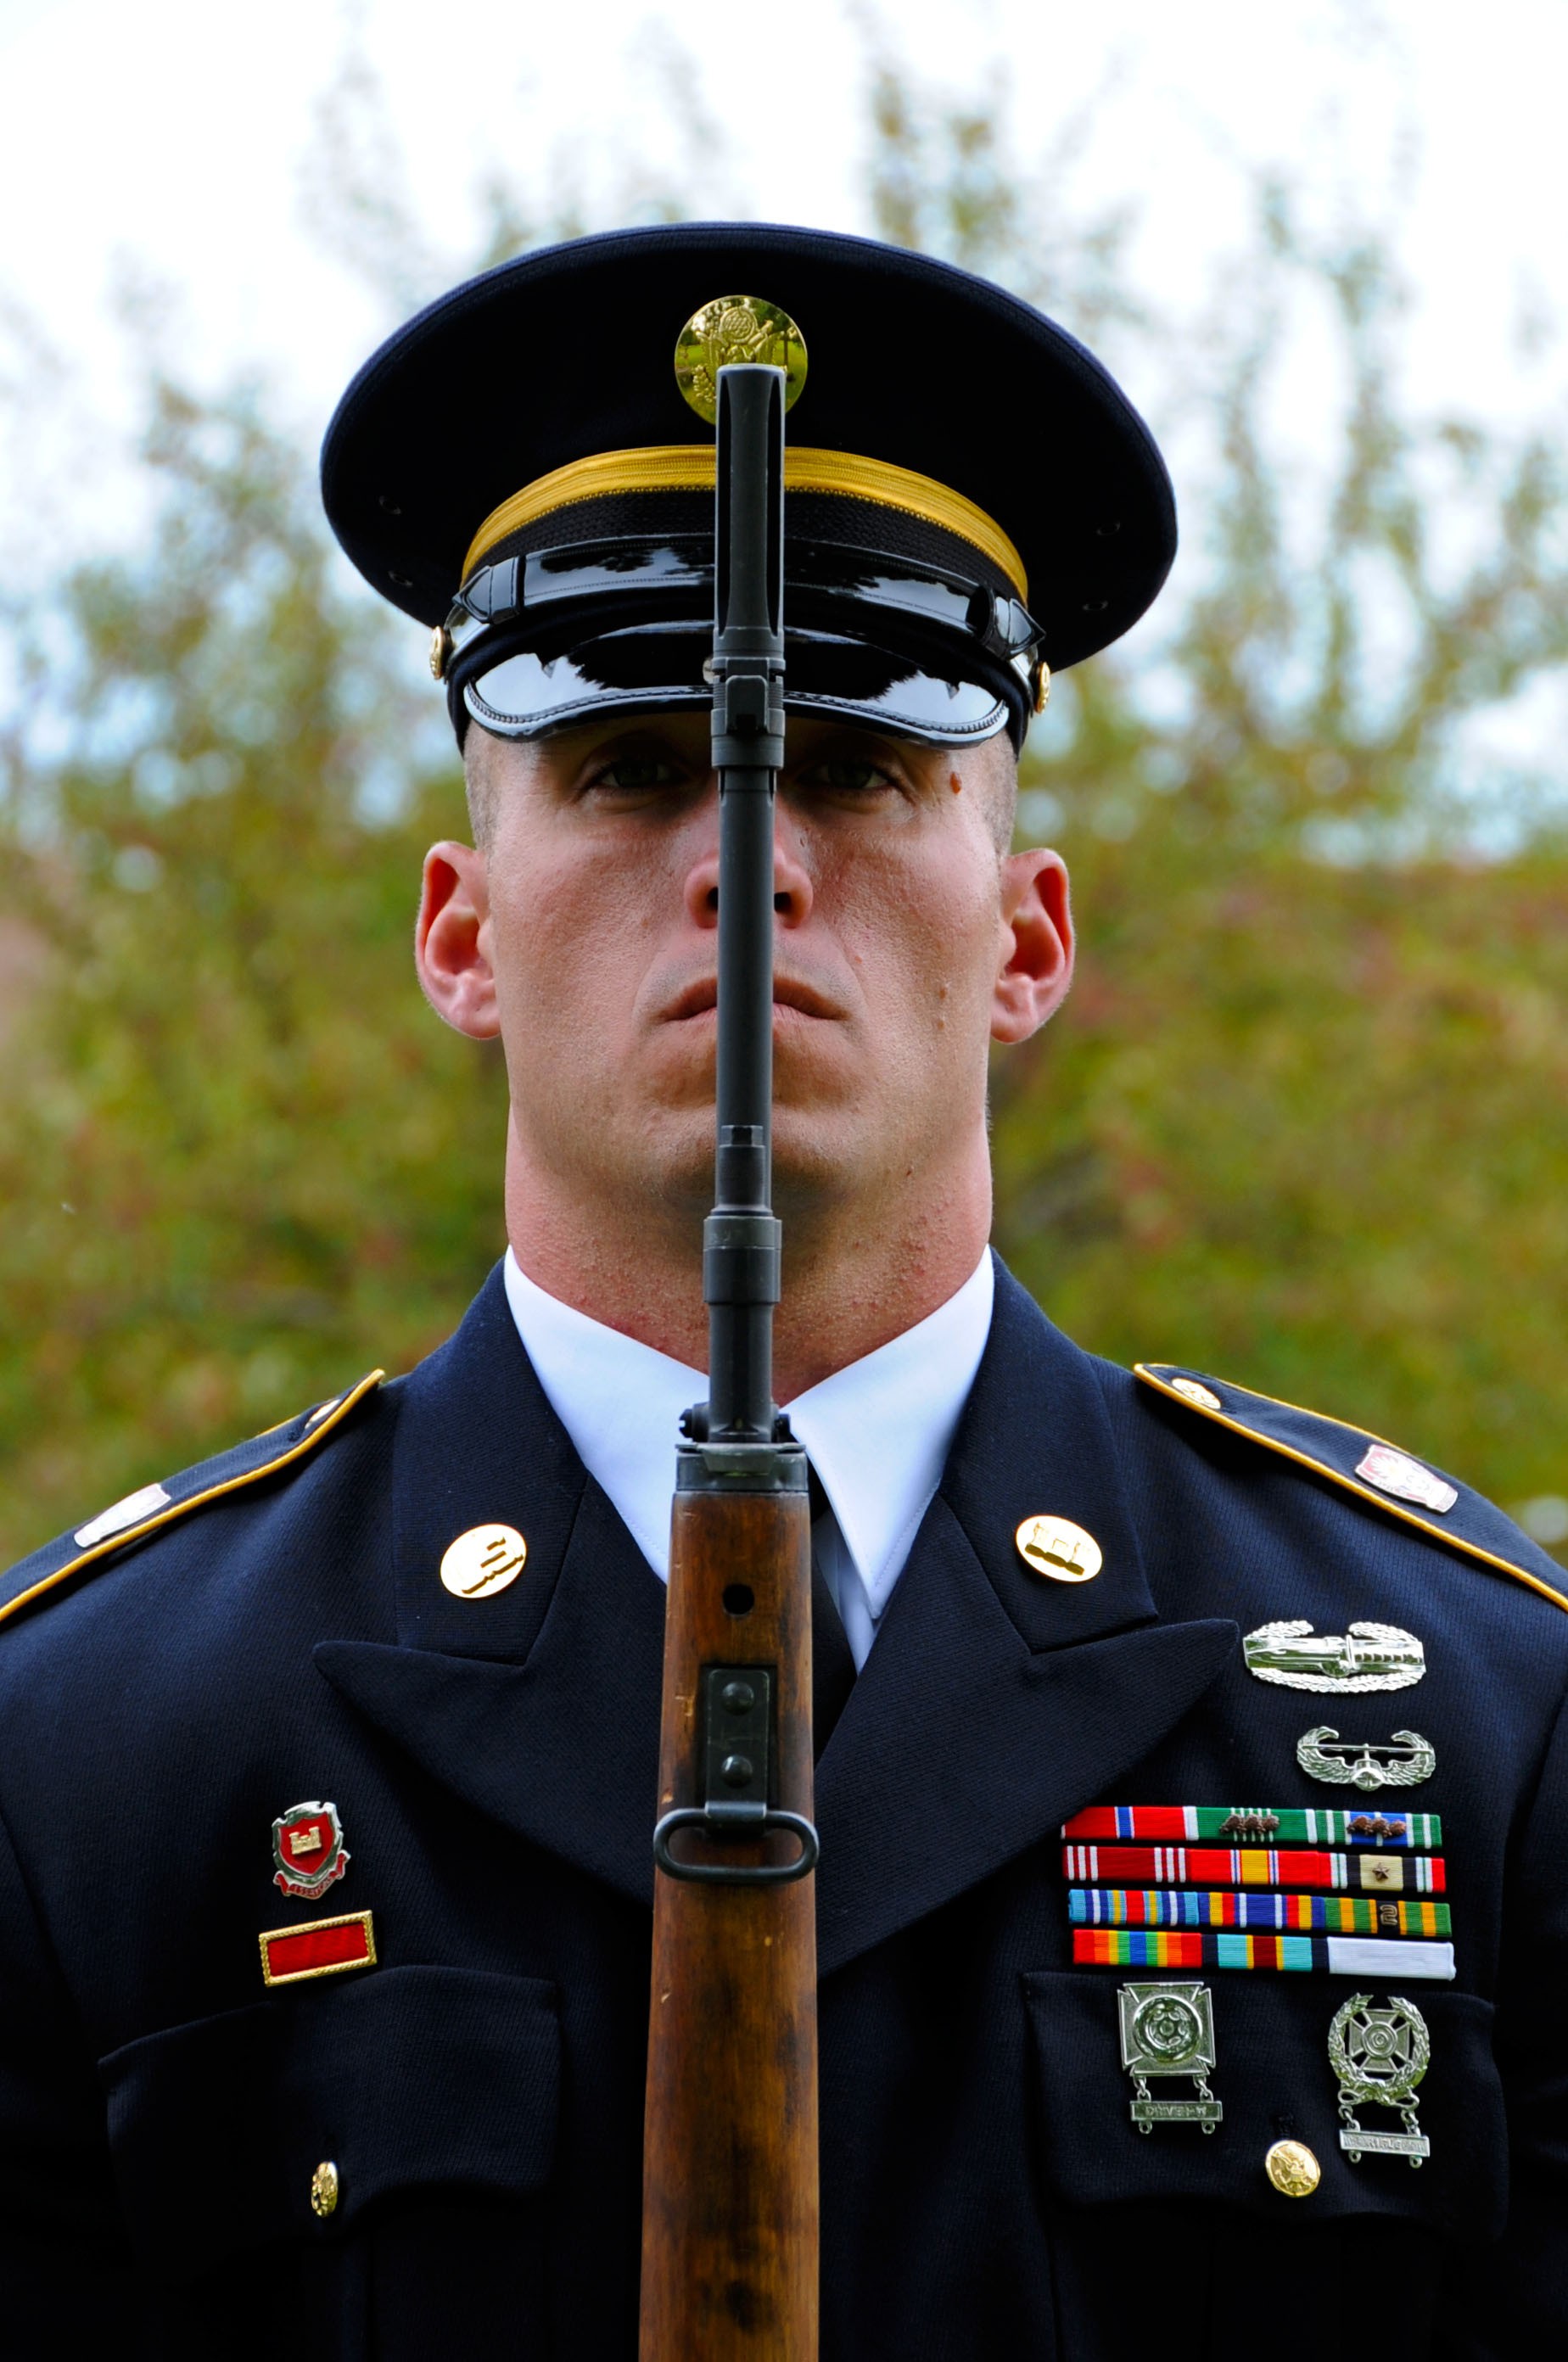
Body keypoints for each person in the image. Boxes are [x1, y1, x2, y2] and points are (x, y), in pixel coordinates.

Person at [0, 222, 1563, 2362]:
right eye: (630, 769)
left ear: (1028, 940)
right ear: (459, 934)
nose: (748, 854)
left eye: (861, 765)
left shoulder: (1464, 1714)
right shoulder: (93, 1754)